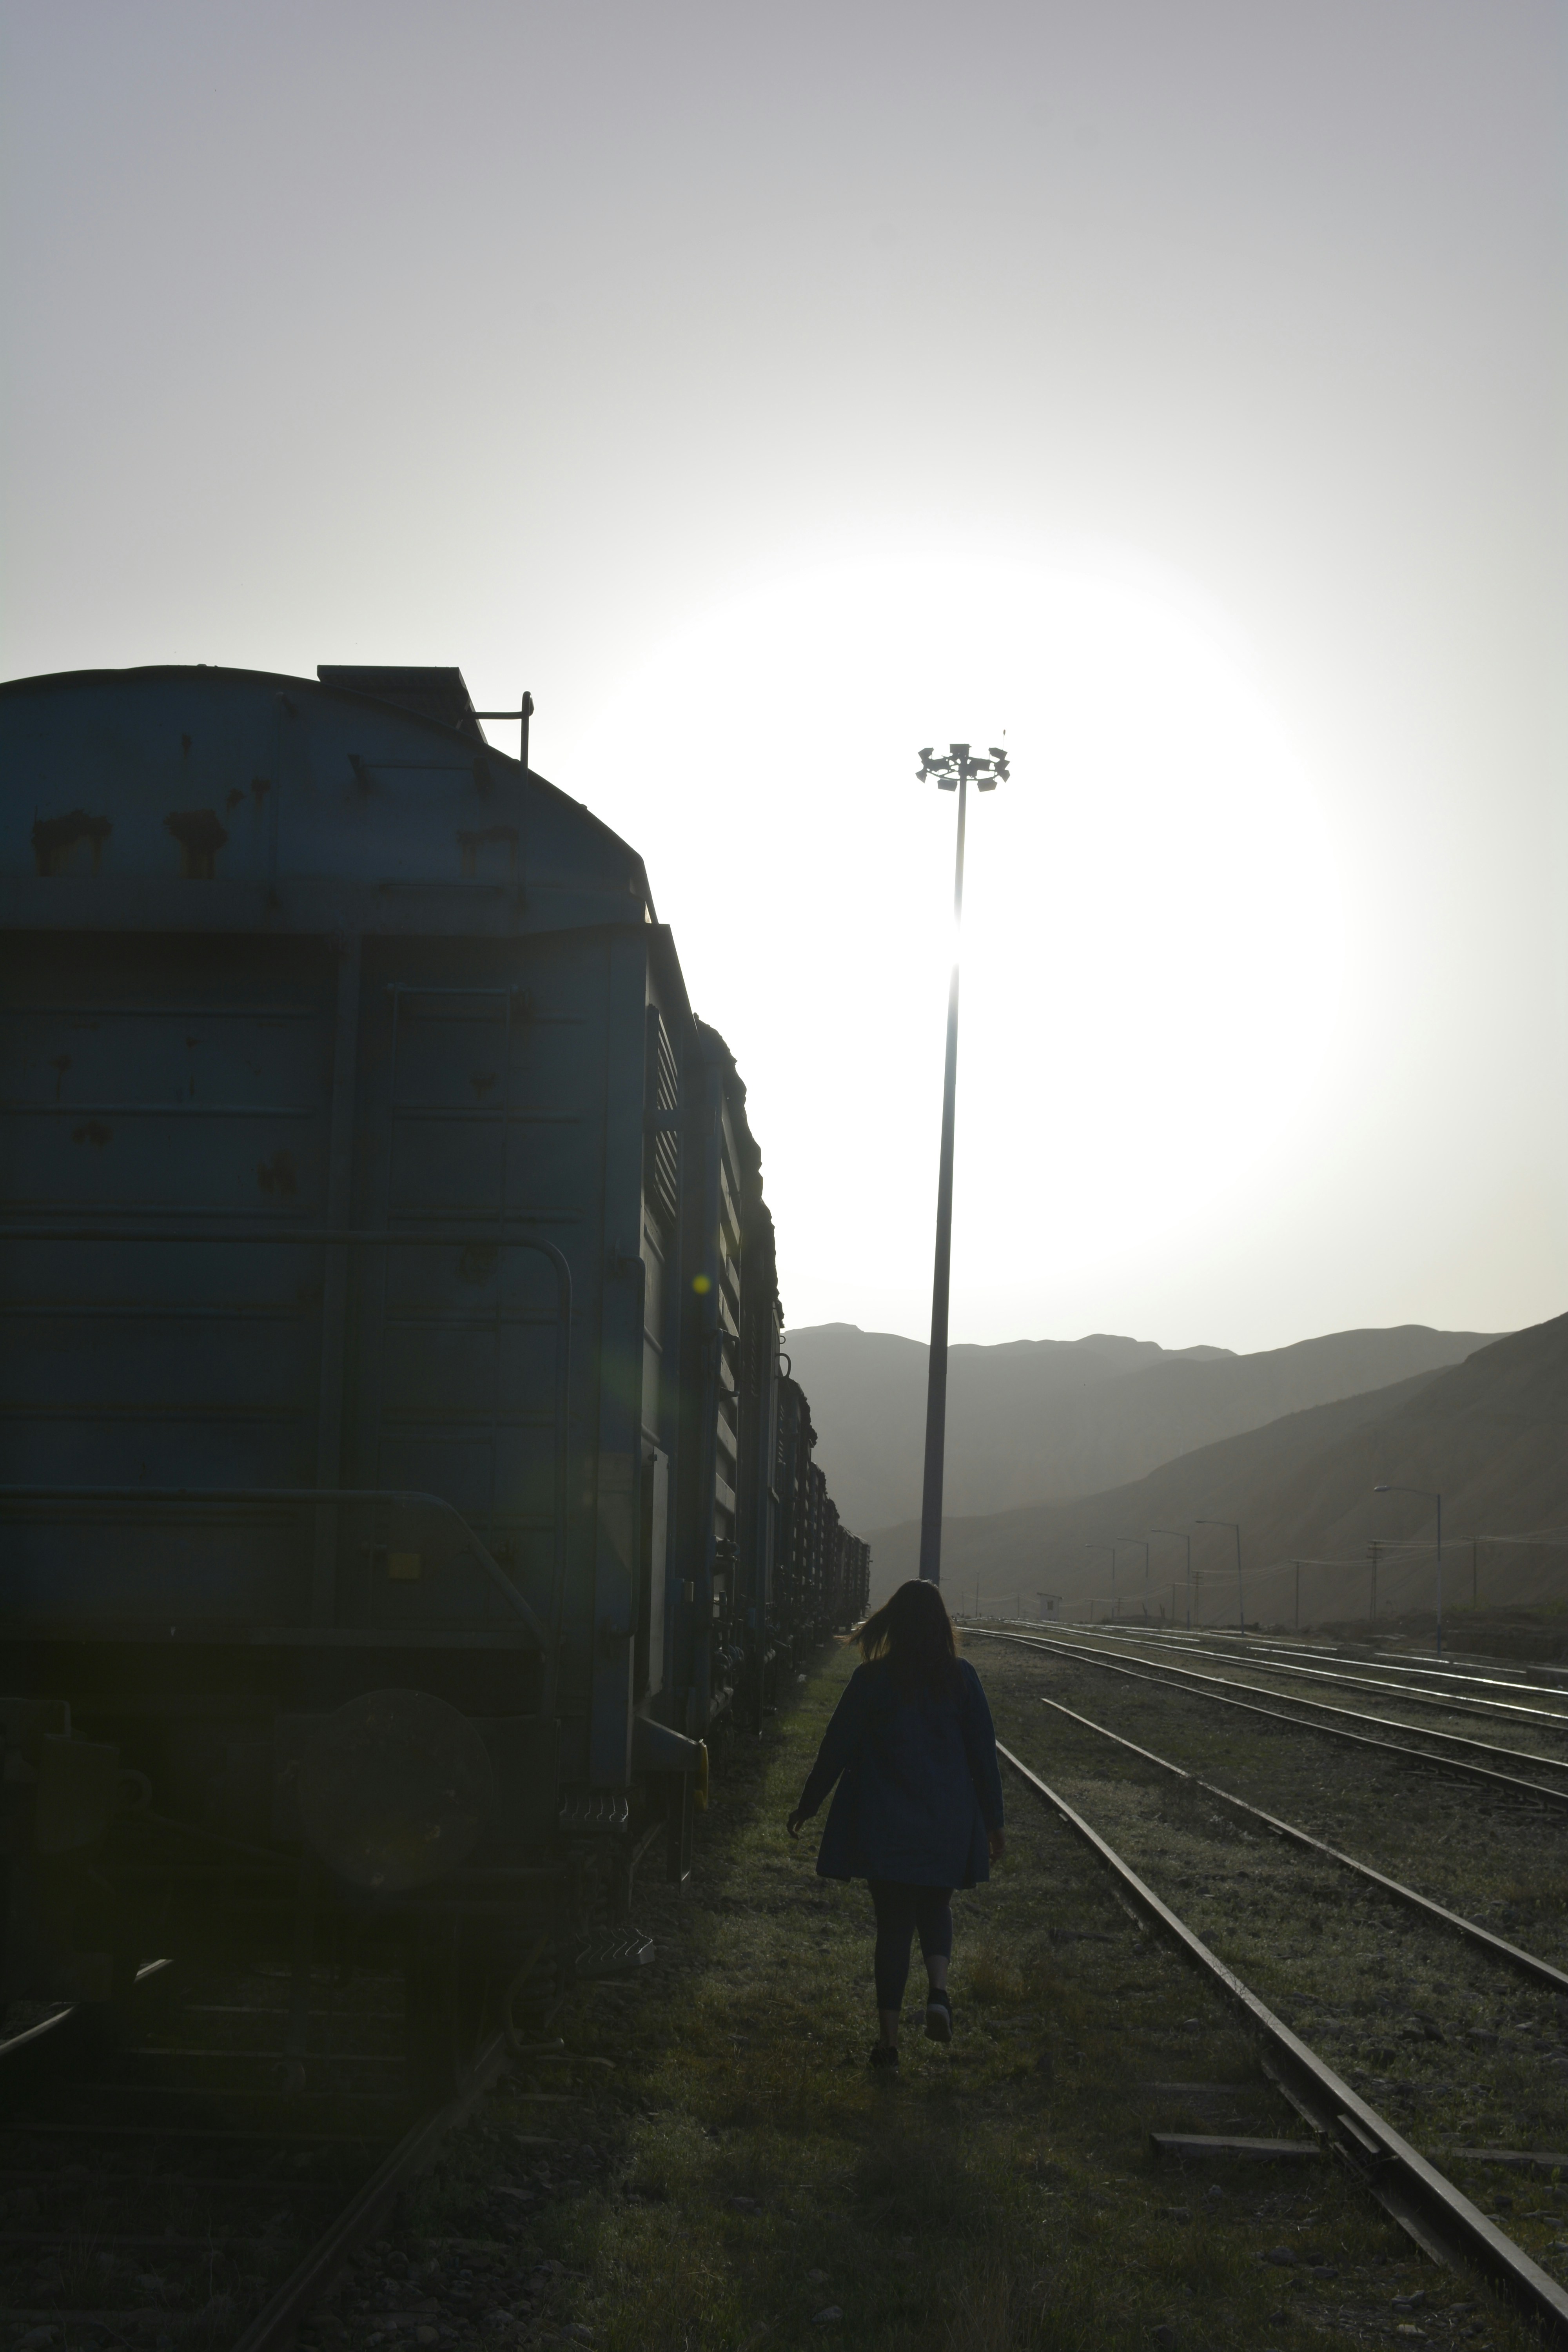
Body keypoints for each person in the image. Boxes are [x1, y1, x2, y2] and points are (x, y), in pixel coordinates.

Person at [786, 1578, 1005, 2069]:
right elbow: (983, 1758)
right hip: (945, 1821)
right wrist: (995, 1824)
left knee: (892, 1927)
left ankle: (887, 2045)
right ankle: (939, 1993)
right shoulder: (963, 1679)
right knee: (936, 1905)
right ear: (940, 1627)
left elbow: (835, 1748)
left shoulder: (871, 1681)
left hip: (886, 1822)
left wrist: (807, 1805)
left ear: (897, 1625)